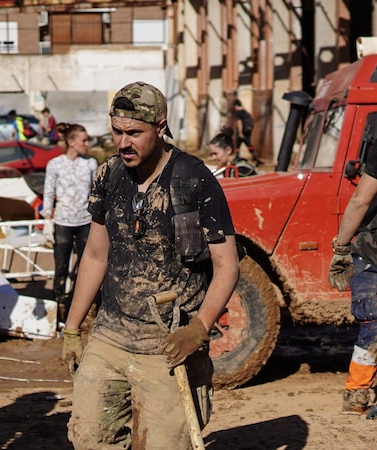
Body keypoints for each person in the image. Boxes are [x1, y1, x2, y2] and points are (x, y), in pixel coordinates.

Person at [60, 81, 239, 448]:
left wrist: (200, 328)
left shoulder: (194, 179)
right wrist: (73, 329)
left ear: (160, 127)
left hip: (168, 347)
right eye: (116, 132)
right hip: (110, 337)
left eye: (134, 133)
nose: (123, 143)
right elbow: (95, 255)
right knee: (89, 438)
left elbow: (227, 266)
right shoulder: (108, 176)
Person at [329, 147, 377, 415]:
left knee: (372, 323)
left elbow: (361, 198)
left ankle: (357, 394)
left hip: (372, 250)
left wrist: (341, 247)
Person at [40, 122, 97, 326]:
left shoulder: (90, 164)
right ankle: (57, 312)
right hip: (63, 221)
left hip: (85, 221)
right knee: (60, 268)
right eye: (83, 140)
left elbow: (96, 194)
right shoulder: (55, 164)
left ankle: (80, 310)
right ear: (71, 142)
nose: (87, 144)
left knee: (85, 269)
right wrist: (47, 219)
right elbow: (48, 193)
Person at [234, 99, 260, 165]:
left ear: (236, 106)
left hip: (242, 133)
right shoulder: (246, 112)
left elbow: (239, 123)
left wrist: (240, 132)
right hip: (247, 132)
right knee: (249, 146)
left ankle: (236, 160)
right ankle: (255, 159)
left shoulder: (238, 113)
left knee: (237, 147)